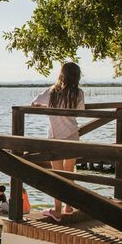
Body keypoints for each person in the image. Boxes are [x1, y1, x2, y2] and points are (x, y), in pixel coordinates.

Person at [31, 61, 85, 222]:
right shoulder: (79, 93)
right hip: (72, 136)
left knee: (57, 175)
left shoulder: (52, 91)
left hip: (55, 138)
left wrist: (47, 110)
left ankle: (57, 210)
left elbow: (34, 103)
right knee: (69, 172)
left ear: (61, 74)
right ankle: (69, 205)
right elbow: (81, 111)